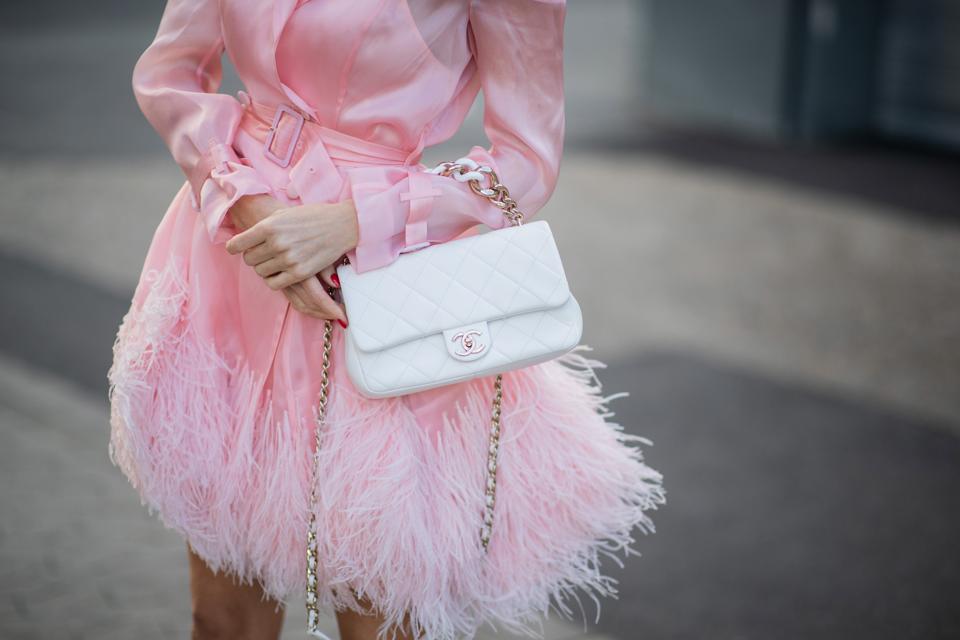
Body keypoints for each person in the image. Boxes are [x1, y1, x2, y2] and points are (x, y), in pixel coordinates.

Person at [107, 1, 666, 639]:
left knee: (382, 623)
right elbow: (169, 71)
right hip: (234, 262)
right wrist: (246, 202)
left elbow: (525, 163)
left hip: (378, 289)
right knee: (221, 623)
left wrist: (356, 221)